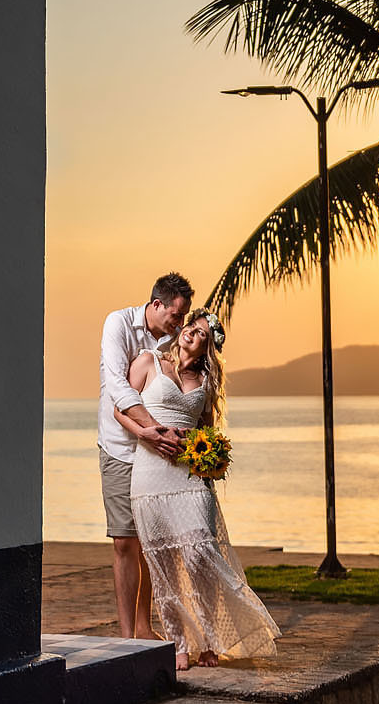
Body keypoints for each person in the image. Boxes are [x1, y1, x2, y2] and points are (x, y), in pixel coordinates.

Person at [118, 308, 280, 671]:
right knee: (165, 567)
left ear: (207, 346)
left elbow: (207, 430)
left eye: (203, 333)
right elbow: (120, 410)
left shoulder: (206, 381)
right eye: (192, 326)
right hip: (150, 475)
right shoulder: (148, 362)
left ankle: (209, 639)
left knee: (200, 557)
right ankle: (179, 643)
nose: (193, 332)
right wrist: (145, 433)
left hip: (190, 480)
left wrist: (211, 458)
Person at [98, 273, 194, 637]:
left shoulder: (172, 340)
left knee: (150, 540)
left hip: (158, 453)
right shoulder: (118, 323)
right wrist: (151, 430)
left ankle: (144, 625)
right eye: (175, 315)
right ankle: (126, 635)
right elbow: (117, 388)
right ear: (156, 305)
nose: (179, 324)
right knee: (125, 541)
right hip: (121, 448)